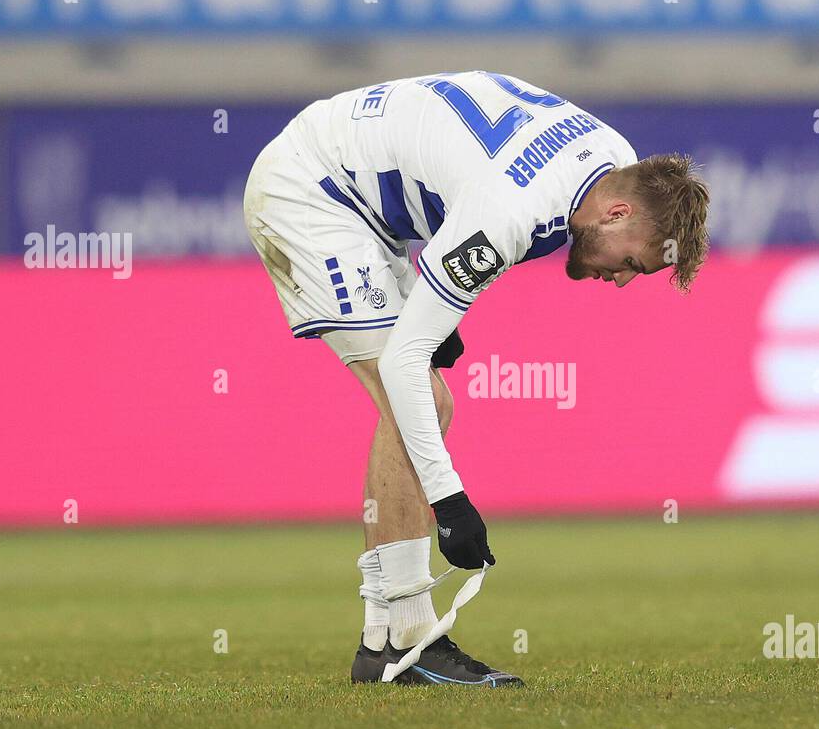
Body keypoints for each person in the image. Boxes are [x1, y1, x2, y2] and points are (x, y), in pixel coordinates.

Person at [243, 71, 710, 683]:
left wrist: (438, 292)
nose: (620, 280)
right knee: (419, 395)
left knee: (424, 399)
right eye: (630, 262)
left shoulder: (612, 158)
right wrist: (452, 504)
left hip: (361, 184)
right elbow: (403, 359)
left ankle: (391, 640)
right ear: (618, 211)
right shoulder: (511, 212)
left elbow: (459, 156)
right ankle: (400, 643)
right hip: (312, 190)